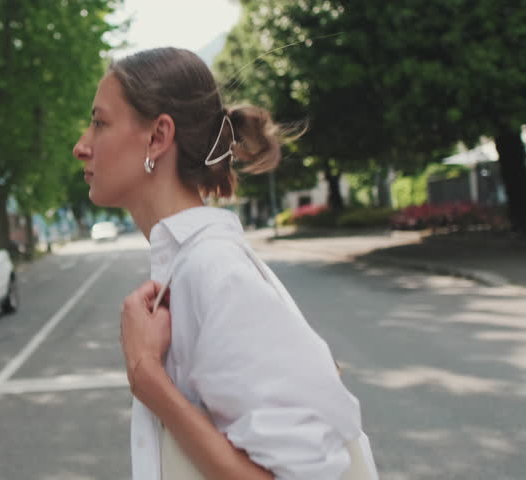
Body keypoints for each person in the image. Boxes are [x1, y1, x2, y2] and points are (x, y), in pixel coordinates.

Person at [73, 47, 375, 479]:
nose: (81, 145)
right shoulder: (190, 264)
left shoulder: (212, 270)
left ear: (158, 137)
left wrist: (147, 376)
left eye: (99, 122)